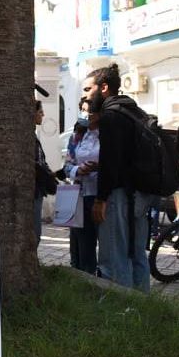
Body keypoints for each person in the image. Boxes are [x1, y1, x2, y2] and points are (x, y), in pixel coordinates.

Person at [89, 64, 157, 292]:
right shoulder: (135, 112)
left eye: (89, 89)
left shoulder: (111, 116)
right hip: (141, 196)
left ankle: (120, 308)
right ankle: (143, 307)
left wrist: (101, 199)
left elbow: (110, 162)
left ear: (104, 88)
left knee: (113, 260)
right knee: (137, 256)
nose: (86, 96)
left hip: (118, 196)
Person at [63, 102, 99, 275]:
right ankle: (81, 275)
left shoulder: (107, 135)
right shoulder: (76, 136)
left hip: (100, 195)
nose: (83, 114)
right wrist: (78, 170)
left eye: (87, 110)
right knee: (80, 244)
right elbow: (67, 166)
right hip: (78, 195)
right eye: (82, 110)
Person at [34, 101, 57, 242]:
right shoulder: (29, 138)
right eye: (40, 112)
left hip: (39, 190)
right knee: (35, 233)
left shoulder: (34, 137)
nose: (43, 115)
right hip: (34, 190)